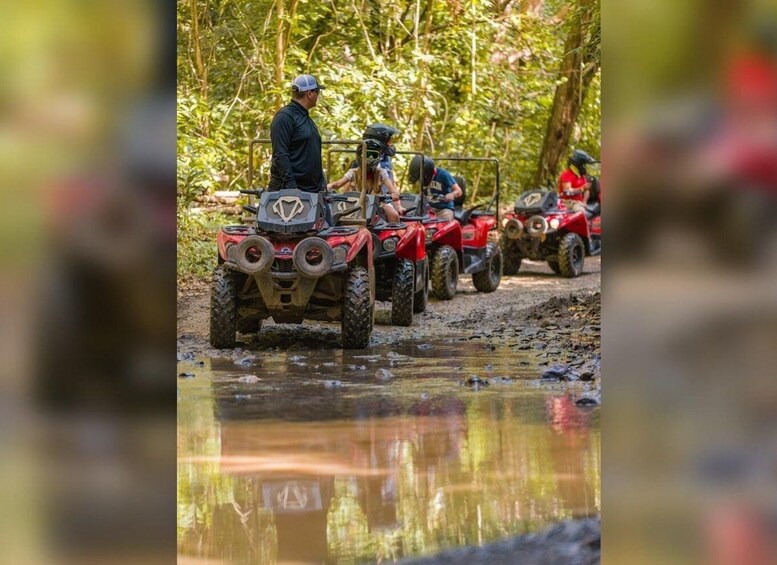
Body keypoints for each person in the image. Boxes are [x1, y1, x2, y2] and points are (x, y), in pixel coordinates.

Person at [268, 74, 327, 193]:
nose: (318, 96)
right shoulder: (285, 117)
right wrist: (292, 188)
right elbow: (280, 154)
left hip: (311, 191)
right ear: (310, 93)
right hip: (290, 192)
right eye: (317, 92)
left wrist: (321, 182)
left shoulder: (305, 118)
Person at [327, 139, 406, 223]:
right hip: (356, 203)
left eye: (373, 155)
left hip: (378, 203)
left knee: (394, 215)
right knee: (336, 216)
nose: (370, 158)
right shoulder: (353, 172)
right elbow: (338, 183)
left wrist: (394, 194)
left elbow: (391, 188)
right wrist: (328, 186)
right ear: (360, 155)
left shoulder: (382, 172)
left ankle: (392, 234)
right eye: (367, 154)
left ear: (379, 156)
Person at [408, 155, 463, 221]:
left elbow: (459, 191)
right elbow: (422, 194)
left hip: (444, 208)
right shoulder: (423, 177)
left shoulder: (443, 174)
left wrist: (452, 195)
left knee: (444, 220)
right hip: (428, 209)